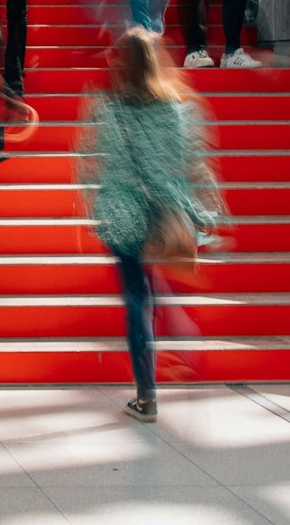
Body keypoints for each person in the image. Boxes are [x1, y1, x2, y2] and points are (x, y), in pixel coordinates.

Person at [88, 28, 221, 423]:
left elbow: (95, 162)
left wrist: (94, 205)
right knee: (152, 288)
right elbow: (194, 160)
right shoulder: (177, 108)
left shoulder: (107, 108)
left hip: (124, 216)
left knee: (135, 300)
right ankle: (178, 346)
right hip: (163, 212)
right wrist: (205, 211)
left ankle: (146, 394)